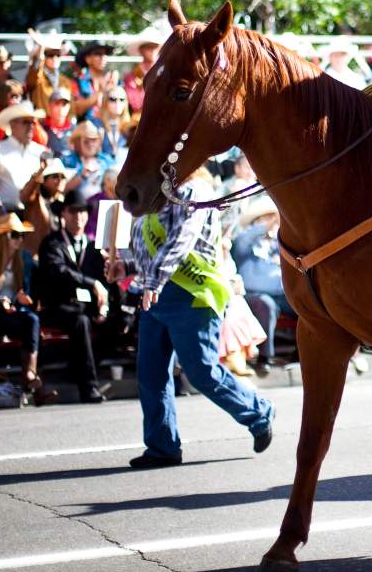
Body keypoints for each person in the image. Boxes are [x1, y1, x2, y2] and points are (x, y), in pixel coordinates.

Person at [107, 170, 275, 467]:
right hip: (156, 292)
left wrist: (153, 281)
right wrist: (128, 266)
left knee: (201, 371)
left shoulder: (193, 190)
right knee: (151, 374)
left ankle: (258, 411)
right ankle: (162, 446)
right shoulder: (153, 189)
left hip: (192, 293)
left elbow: (181, 241)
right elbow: (151, 248)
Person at [37, 189, 111, 402]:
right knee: (81, 322)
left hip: (87, 306)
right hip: (60, 306)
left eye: (83, 211)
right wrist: (92, 283)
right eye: (73, 211)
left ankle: (78, 368)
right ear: (64, 214)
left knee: (120, 320)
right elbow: (58, 271)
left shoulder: (93, 246)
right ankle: (89, 387)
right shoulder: (52, 243)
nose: (78, 216)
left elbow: (104, 279)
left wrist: (103, 307)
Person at [0, 213, 57, 406]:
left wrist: (22, 298)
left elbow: (39, 281)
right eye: (15, 235)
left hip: (16, 312)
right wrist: (0, 302)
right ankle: (33, 383)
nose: (20, 239)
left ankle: (30, 374)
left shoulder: (24, 259)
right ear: (3, 237)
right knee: (32, 330)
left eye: (21, 235)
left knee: (33, 321)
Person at [231, 196, 291, 374]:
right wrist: (268, 225)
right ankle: (265, 357)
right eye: (265, 217)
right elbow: (243, 240)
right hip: (254, 295)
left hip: (283, 293)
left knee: (307, 302)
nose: (271, 222)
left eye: (272, 217)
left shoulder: (278, 243)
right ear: (255, 222)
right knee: (265, 305)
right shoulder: (244, 243)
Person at [0, 102, 49, 210]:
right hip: (5, 214)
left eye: (33, 122)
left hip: (34, 214)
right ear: (12, 124)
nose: (31, 126)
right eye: (26, 122)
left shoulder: (41, 151)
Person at [20, 157, 67, 256]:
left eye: (62, 177)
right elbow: (24, 195)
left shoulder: (65, 203)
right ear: (44, 181)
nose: (59, 180)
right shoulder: (35, 199)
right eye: (55, 176)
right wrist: (41, 170)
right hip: (34, 255)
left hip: (54, 256)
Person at [0, 80, 48, 145]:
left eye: (21, 96)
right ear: (3, 97)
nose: (19, 100)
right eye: (14, 96)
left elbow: (42, 141)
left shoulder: (26, 115)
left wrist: (31, 119)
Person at [24, 30, 75, 113]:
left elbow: (70, 109)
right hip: (41, 123)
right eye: (50, 55)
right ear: (44, 56)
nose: (55, 58)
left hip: (59, 124)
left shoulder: (66, 81)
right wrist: (40, 50)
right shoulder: (37, 78)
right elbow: (33, 74)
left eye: (58, 55)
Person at [63, 121, 114, 202]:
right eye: (86, 141)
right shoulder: (67, 161)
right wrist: (82, 176)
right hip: (78, 208)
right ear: (76, 143)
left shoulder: (107, 161)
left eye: (93, 140)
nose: (90, 144)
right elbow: (62, 190)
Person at [71, 41, 117, 122]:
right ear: (88, 59)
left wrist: (115, 88)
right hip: (86, 129)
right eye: (98, 54)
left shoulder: (113, 79)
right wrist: (102, 91)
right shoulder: (78, 82)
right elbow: (76, 110)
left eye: (105, 54)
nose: (103, 57)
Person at [123, 32, 163, 114]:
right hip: (140, 119)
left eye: (155, 47)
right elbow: (136, 104)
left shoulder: (165, 73)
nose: (153, 50)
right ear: (141, 50)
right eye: (149, 47)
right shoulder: (132, 76)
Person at [92, 85, 130, 163]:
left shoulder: (129, 127)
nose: (117, 103)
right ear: (106, 102)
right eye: (113, 99)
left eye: (122, 99)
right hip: (103, 167)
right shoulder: (96, 124)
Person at [42, 88, 76, 157]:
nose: (60, 109)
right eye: (57, 104)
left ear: (69, 107)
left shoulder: (75, 130)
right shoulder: (41, 128)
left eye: (64, 105)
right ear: (49, 105)